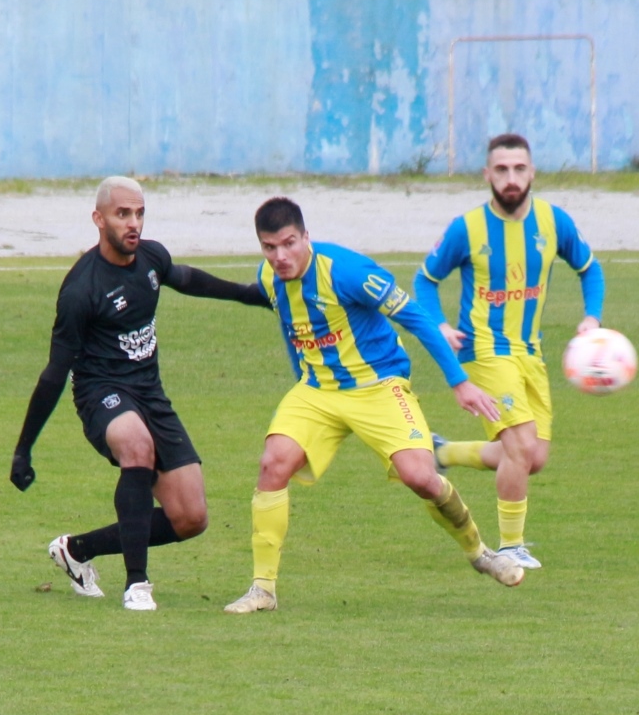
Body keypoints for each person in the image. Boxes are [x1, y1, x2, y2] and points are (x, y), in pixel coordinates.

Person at [224, 196, 524, 615]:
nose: (280, 256)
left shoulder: (348, 271)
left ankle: (480, 552)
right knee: (273, 464)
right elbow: (294, 333)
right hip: (317, 391)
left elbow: (416, 317)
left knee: (419, 477)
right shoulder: (270, 278)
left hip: (379, 385)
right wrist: (301, 388)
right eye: (269, 248)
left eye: (289, 244)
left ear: (306, 236)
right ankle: (263, 590)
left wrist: (460, 382)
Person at [10, 175, 271, 611]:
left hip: (150, 393)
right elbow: (55, 373)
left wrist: (250, 295)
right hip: (100, 395)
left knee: (190, 517)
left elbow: (186, 278)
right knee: (136, 444)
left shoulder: (151, 258)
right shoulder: (81, 289)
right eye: (122, 214)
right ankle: (137, 584)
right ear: (99, 219)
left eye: (139, 213)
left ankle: (75, 549)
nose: (134, 223)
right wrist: (23, 450)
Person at [413, 133, 605, 570]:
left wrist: (592, 317)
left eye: (519, 168)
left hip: (529, 353)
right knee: (519, 445)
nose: (511, 178)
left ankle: (443, 452)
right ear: (487, 175)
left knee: (532, 458)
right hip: (483, 351)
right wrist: (439, 324)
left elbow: (590, 269)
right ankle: (510, 546)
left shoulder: (554, 222)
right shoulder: (468, 228)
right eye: (501, 169)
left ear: (532, 172)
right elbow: (425, 279)